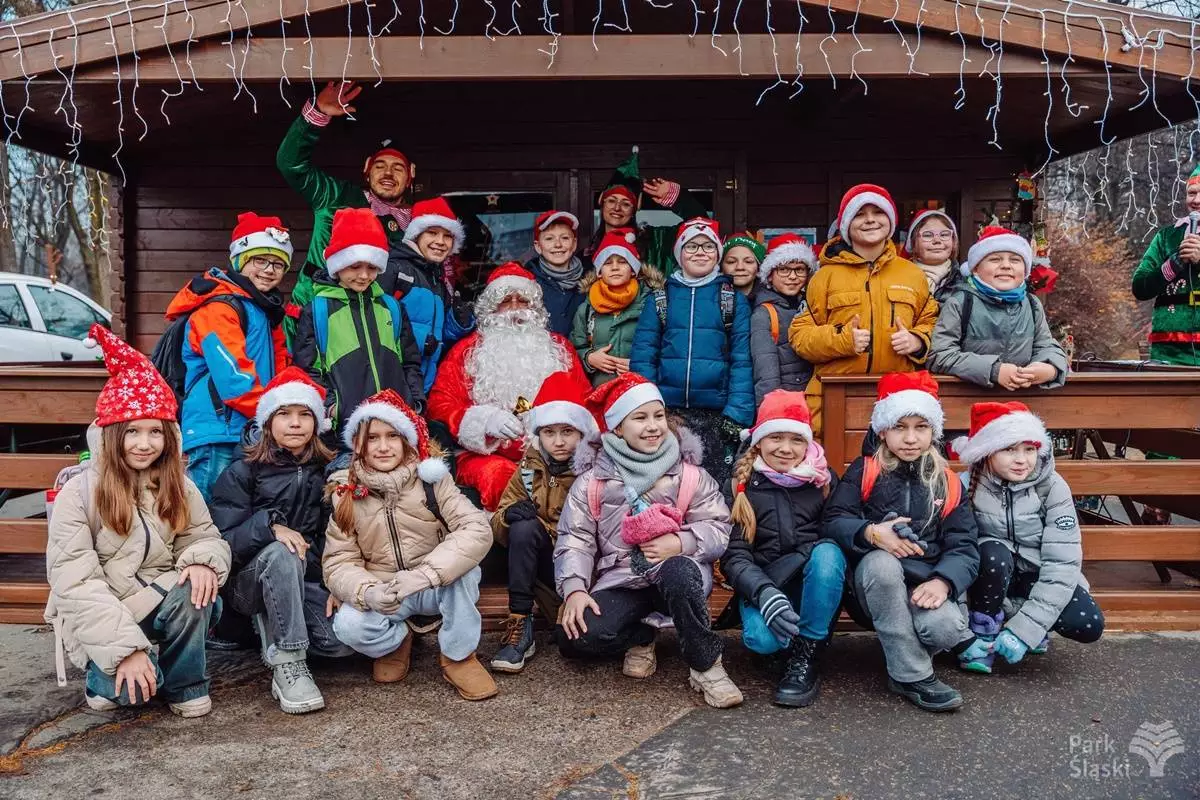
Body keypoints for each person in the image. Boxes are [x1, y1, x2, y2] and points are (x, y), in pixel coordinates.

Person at [46, 324, 231, 717]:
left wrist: (202, 560)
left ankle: (185, 683)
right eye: (132, 431)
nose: (145, 444)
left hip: (163, 598)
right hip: (106, 609)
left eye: (155, 432)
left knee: (197, 590)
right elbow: (76, 583)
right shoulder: (78, 494)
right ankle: (113, 671)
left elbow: (204, 534)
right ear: (112, 435)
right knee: (132, 697)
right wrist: (126, 650)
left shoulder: (177, 485)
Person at [555, 373, 742, 708]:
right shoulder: (592, 483)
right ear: (617, 427)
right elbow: (576, 539)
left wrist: (682, 542)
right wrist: (575, 588)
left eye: (658, 416)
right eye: (639, 418)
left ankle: (705, 665)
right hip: (623, 578)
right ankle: (641, 635)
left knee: (680, 572)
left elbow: (718, 526)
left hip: (676, 577)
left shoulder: (690, 475)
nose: (653, 426)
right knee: (575, 639)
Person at [823, 372, 985, 712]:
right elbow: (833, 520)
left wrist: (944, 581)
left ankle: (904, 650)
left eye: (921, 427)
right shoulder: (865, 471)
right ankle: (911, 676)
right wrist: (870, 532)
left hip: (924, 583)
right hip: (873, 589)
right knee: (882, 563)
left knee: (945, 629)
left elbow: (965, 545)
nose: (910, 438)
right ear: (883, 431)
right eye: (900, 427)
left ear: (933, 432)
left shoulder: (947, 482)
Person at [323, 389, 497, 700]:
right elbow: (338, 562)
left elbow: (476, 528)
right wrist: (367, 592)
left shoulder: (432, 482)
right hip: (387, 590)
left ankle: (458, 656)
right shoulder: (346, 493)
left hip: (430, 583)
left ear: (406, 439)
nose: (383, 446)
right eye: (372, 438)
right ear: (359, 444)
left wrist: (426, 574)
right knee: (348, 625)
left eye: (392, 435)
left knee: (465, 572)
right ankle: (396, 640)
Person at [210, 368, 352, 715]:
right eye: (284, 414)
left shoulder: (327, 472)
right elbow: (222, 541)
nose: (295, 423)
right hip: (248, 584)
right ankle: (289, 661)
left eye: (305, 415)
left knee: (338, 647)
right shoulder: (243, 471)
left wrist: (336, 582)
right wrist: (270, 526)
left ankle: (277, 629)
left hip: (306, 580)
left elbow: (335, 538)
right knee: (282, 550)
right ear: (268, 421)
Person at [954, 402, 1103, 673]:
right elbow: (956, 554)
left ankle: (1024, 625)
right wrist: (961, 635)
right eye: (1010, 449)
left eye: (1029, 449)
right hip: (989, 580)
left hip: (1035, 577)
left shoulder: (1053, 487)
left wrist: (1027, 628)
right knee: (992, 553)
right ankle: (984, 632)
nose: (1022, 459)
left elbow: (1062, 562)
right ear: (987, 451)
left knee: (1087, 623)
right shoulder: (965, 486)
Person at [428, 263, 591, 510]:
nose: (515, 309)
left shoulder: (560, 348)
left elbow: (586, 400)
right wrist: (484, 421)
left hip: (555, 452)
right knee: (501, 477)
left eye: (523, 300)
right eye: (505, 301)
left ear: (534, 307)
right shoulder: (467, 351)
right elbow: (440, 403)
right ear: (492, 308)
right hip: (488, 455)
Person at [721, 390, 843, 708]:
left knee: (828, 553)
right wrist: (763, 593)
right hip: (765, 585)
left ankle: (807, 653)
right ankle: (781, 646)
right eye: (776, 437)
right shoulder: (741, 485)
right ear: (759, 441)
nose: (786, 449)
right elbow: (735, 555)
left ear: (807, 443)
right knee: (760, 640)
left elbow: (837, 535)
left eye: (796, 439)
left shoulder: (824, 481)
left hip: (810, 585)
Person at [788, 184, 939, 436]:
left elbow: (934, 323)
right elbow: (800, 336)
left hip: (900, 402)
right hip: (835, 400)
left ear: (890, 221)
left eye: (878, 212)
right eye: (860, 214)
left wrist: (918, 340)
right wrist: (842, 339)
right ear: (846, 224)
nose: (870, 220)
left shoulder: (913, 274)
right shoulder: (824, 276)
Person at [166, 212, 292, 502]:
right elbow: (234, 378)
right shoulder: (220, 309)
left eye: (278, 264)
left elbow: (280, 368)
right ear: (240, 260)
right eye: (259, 260)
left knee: (237, 515)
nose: (269, 270)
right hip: (217, 430)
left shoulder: (264, 311)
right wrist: (274, 417)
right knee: (207, 516)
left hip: (247, 427)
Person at [277, 80, 414, 334]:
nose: (387, 173)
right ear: (366, 169)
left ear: (410, 175)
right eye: (380, 165)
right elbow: (291, 164)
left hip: (377, 324)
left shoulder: (419, 223)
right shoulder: (337, 196)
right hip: (316, 313)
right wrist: (317, 113)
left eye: (398, 168)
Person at [629, 217, 754, 487]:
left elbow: (742, 360)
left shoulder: (732, 300)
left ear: (718, 254)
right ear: (679, 253)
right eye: (692, 246)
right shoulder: (660, 299)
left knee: (712, 486)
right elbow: (644, 356)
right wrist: (645, 406)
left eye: (708, 247)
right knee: (666, 484)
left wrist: (736, 414)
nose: (700, 252)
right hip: (667, 413)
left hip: (716, 413)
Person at [489, 372, 596, 673]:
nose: (558, 441)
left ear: (581, 432)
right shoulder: (529, 466)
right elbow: (498, 521)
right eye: (549, 432)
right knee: (522, 527)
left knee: (582, 647)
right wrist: (508, 517)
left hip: (583, 567)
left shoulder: (595, 471)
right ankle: (520, 623)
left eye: (567, 431)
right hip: (542, 565)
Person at [293, 208, 427, 439]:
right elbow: (308, 370)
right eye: (355, 267)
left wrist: (414, 404)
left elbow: (410, 362)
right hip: (343, 432)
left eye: (372, 267)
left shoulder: (391, 308)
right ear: (337, 265)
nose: (364, 276)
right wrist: (333, 409)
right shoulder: (318, 310)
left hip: (393, 427)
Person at [929, 226, 1068, 390]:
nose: (1006, 266)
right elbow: (940, 355)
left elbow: (1046, 346)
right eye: (995, 259)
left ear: (1025, 271)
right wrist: (993, 370)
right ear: (976, 269)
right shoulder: (960, 302)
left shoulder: (1031, 304)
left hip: (1022, 400)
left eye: (1015, 260)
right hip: (969, 399)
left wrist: (1049, 367)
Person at [390, 196, 475, 392]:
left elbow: (439, 335)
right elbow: (375, 321)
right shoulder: (395, 270)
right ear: (416, 235)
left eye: (447, 236)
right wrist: (420, 340)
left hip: (421, 385)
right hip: (393, 381)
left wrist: (458, 323)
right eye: (433, 233)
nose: (440, 242)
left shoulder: (436, 279)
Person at [585, 146, 710, 275]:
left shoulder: (655, 242)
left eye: (626, 204)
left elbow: (701, 227)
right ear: (602, 202)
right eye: (611, 201)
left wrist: (678, 198)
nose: (617, 208)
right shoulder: (586, 255)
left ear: (635, 209)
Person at [570, 228, 660, 387]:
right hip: (599, 391)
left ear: (633, 270)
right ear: (599, 272)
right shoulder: (586, 308)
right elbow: (574, 348)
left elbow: (665, 349)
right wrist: (589, 358)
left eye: (623, 261)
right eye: (607, 262)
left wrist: (640, 364)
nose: (615, 267)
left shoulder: (652, 303)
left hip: (639, 392)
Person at [1131, 164, 1200, 365]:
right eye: (1191, 193)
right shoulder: (1167, 237)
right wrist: (1173, 264)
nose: (1196, 201)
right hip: (1169, 352)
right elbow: (1140, 287)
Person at [751, 233, 818, 407]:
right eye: (784, 269)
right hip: (785, 404)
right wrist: (772, 409)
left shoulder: (811, 306)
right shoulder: (764, 313)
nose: (793, 276)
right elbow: (765, 372)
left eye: (799, 270)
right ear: (770, 275)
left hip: (812, 399)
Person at [526, 210, 586, 337]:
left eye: (565, 238)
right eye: (549, 238)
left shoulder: (590, 281)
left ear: (574, 243)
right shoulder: (526, 283)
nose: (558, 244)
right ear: (538, 246)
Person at [904, 209, 963, 302]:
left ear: (953, 242)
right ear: (913, 243)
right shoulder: (901, 279)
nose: (937, 240)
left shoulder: (965, 282)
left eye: (944, 234)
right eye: (927, 235)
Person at [720, 232, 765, 298]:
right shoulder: (706, 298)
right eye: (731, 262)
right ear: (721, 267)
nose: (739, 267)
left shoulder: (774, 301)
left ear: (759, 268)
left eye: (748, 262)